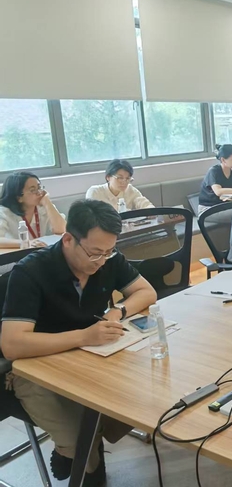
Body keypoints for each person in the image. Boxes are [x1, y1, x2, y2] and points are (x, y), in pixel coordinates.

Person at [0, 199, 157, 486]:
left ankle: (78, 450)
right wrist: (84, 336)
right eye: (95, 253)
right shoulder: (31, 271)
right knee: (84, 442)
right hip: (35, 367)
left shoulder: (107, 258)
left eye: (109, 252)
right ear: (68, 239)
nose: (101, 261)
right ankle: (75, 453)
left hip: (89, 354)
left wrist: (117, 311)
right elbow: (12, 345)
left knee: (144, 401)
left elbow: (147, 292)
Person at [0, 171, 66, 248]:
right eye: (33, 190)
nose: (39, 193)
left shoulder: (43, 207)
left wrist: (47, 202)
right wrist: (26, 243)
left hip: (37, 251)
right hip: (16, 253)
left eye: (39, 187)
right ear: (19, 198)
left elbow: (62, 229)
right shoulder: (4, 212)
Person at [85, 159, 155, 211]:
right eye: (120, 178)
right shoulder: (95, 192)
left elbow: (146, 205)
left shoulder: (130, 190)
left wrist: (150, 210)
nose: (124, 182)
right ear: (108, 177)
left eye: (127, 178)